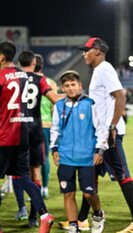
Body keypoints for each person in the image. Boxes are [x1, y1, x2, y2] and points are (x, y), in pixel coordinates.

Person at [80, 37, 133, 232]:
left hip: (110, 134)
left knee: (122, 175)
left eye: (87, 50)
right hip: (101, 133)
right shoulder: (98, 70)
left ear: (98, 51)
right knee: (92, 172)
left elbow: (120, 96)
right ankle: (83, 218)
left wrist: (112, 126)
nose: (84, 53)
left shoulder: (105, 68)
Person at [0, 41, 54, 233]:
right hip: (23, 134)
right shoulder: (26, 76)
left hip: (4, 135)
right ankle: (44, 215)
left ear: (1, 57)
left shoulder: (0, 76)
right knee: (22, 177)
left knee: (21, 177)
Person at [50, 70, 107, 233]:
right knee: (68, 194)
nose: (70, 88)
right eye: (66, 86)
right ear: (62, 88)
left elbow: (100, 129)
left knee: (89, 194)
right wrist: (54, 149)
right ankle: (74, 226)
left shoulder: (90, 103)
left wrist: (99, 151)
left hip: (87, 157)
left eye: (73, 85)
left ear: (80, 86)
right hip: (65, 156)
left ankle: (98, 214)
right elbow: (55, 129)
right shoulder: (59, 105)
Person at [13, 50, 60, 227]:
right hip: (35, 130)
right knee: (36, 173)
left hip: (16, 128)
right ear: (33, 63)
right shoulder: (41, 80)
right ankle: (35, 217)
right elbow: (55, 99)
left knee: (16, 174)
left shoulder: (13, 78)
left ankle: (21, 208)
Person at [35, 54, 57, 200]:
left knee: (30, 159)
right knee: (44, 158)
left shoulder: (25, 80)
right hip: (47, 125)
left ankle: (32, 190)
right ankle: (45, 188)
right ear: (42, 66)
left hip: (28, 124)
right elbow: (54, 106)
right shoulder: (51, 83)